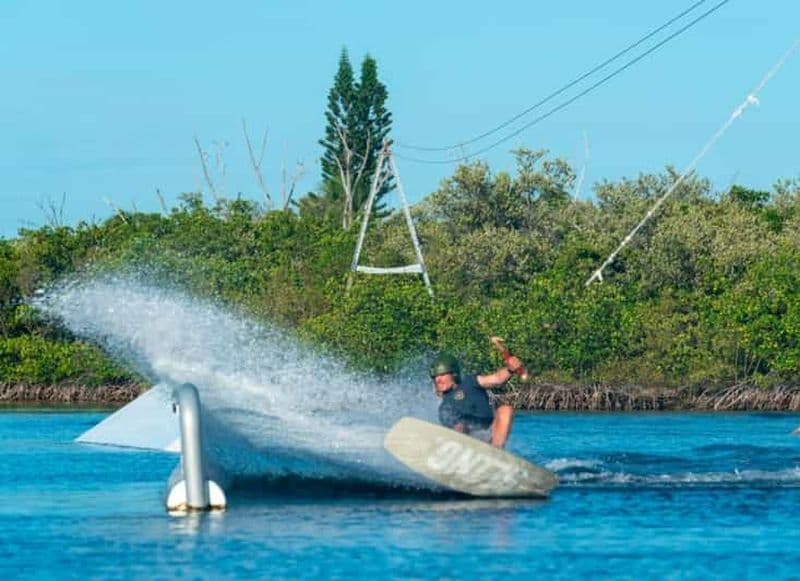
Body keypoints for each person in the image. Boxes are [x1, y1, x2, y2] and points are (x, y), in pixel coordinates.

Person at [429, 351, 522, 448]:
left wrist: (510, 369)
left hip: (490, 433)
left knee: (505, 410)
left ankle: (496, 451)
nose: (438, 380)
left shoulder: (471, 382)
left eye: (442, 375)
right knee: (460, 425)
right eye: (435, 377)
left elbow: (497, 379)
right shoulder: (444, 407)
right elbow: (455, 428)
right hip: (468, 440)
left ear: (454, 374)